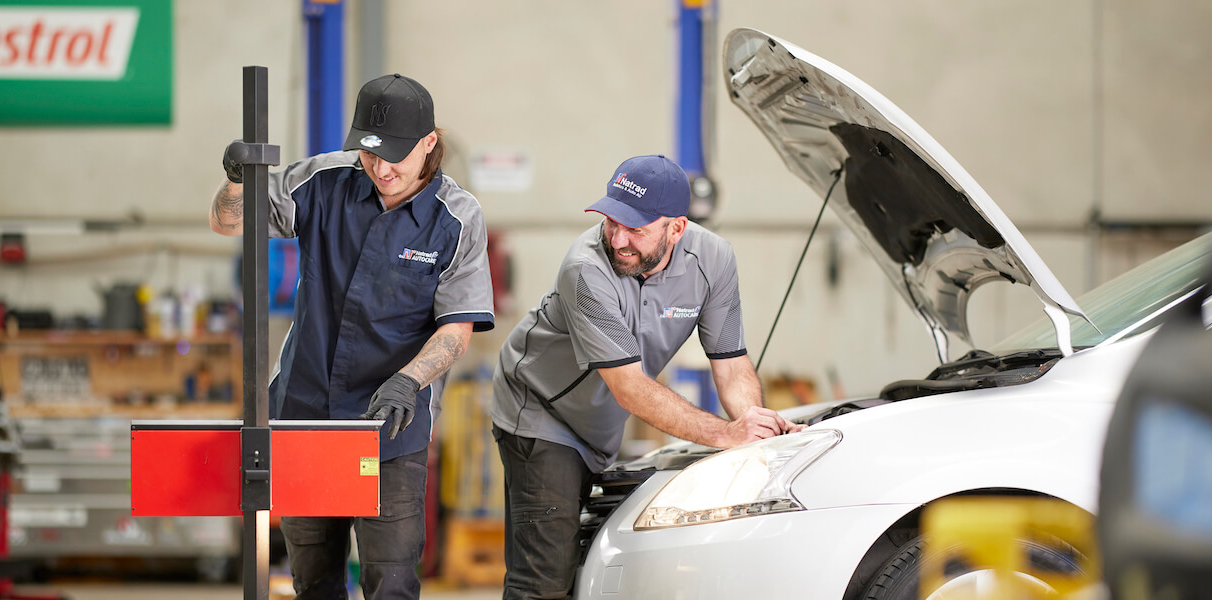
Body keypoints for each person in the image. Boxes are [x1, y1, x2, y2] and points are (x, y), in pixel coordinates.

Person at [209, 73, 494, 600]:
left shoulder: (457, 218)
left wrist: (410, 381)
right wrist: (235, 179)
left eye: (396, 157)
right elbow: (230, 222)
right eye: (369, 155)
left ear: (429, 143)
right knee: (313, 583)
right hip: (304, 415)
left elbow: (457, 329)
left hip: (391, 430)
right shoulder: (324, 181)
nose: (382, 170)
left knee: (391, 584)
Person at [490, 154, 803, 599]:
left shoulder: (713, 260)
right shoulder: (586, 269)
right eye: (612, 221)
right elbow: (630, 387)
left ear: (676, 228)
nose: (618, 239)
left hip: (599, 424)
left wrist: (756, 425)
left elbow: (731, 362)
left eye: (636, 229)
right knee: (544, 580)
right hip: (540, 410)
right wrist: (726, 433)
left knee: (586, 567)